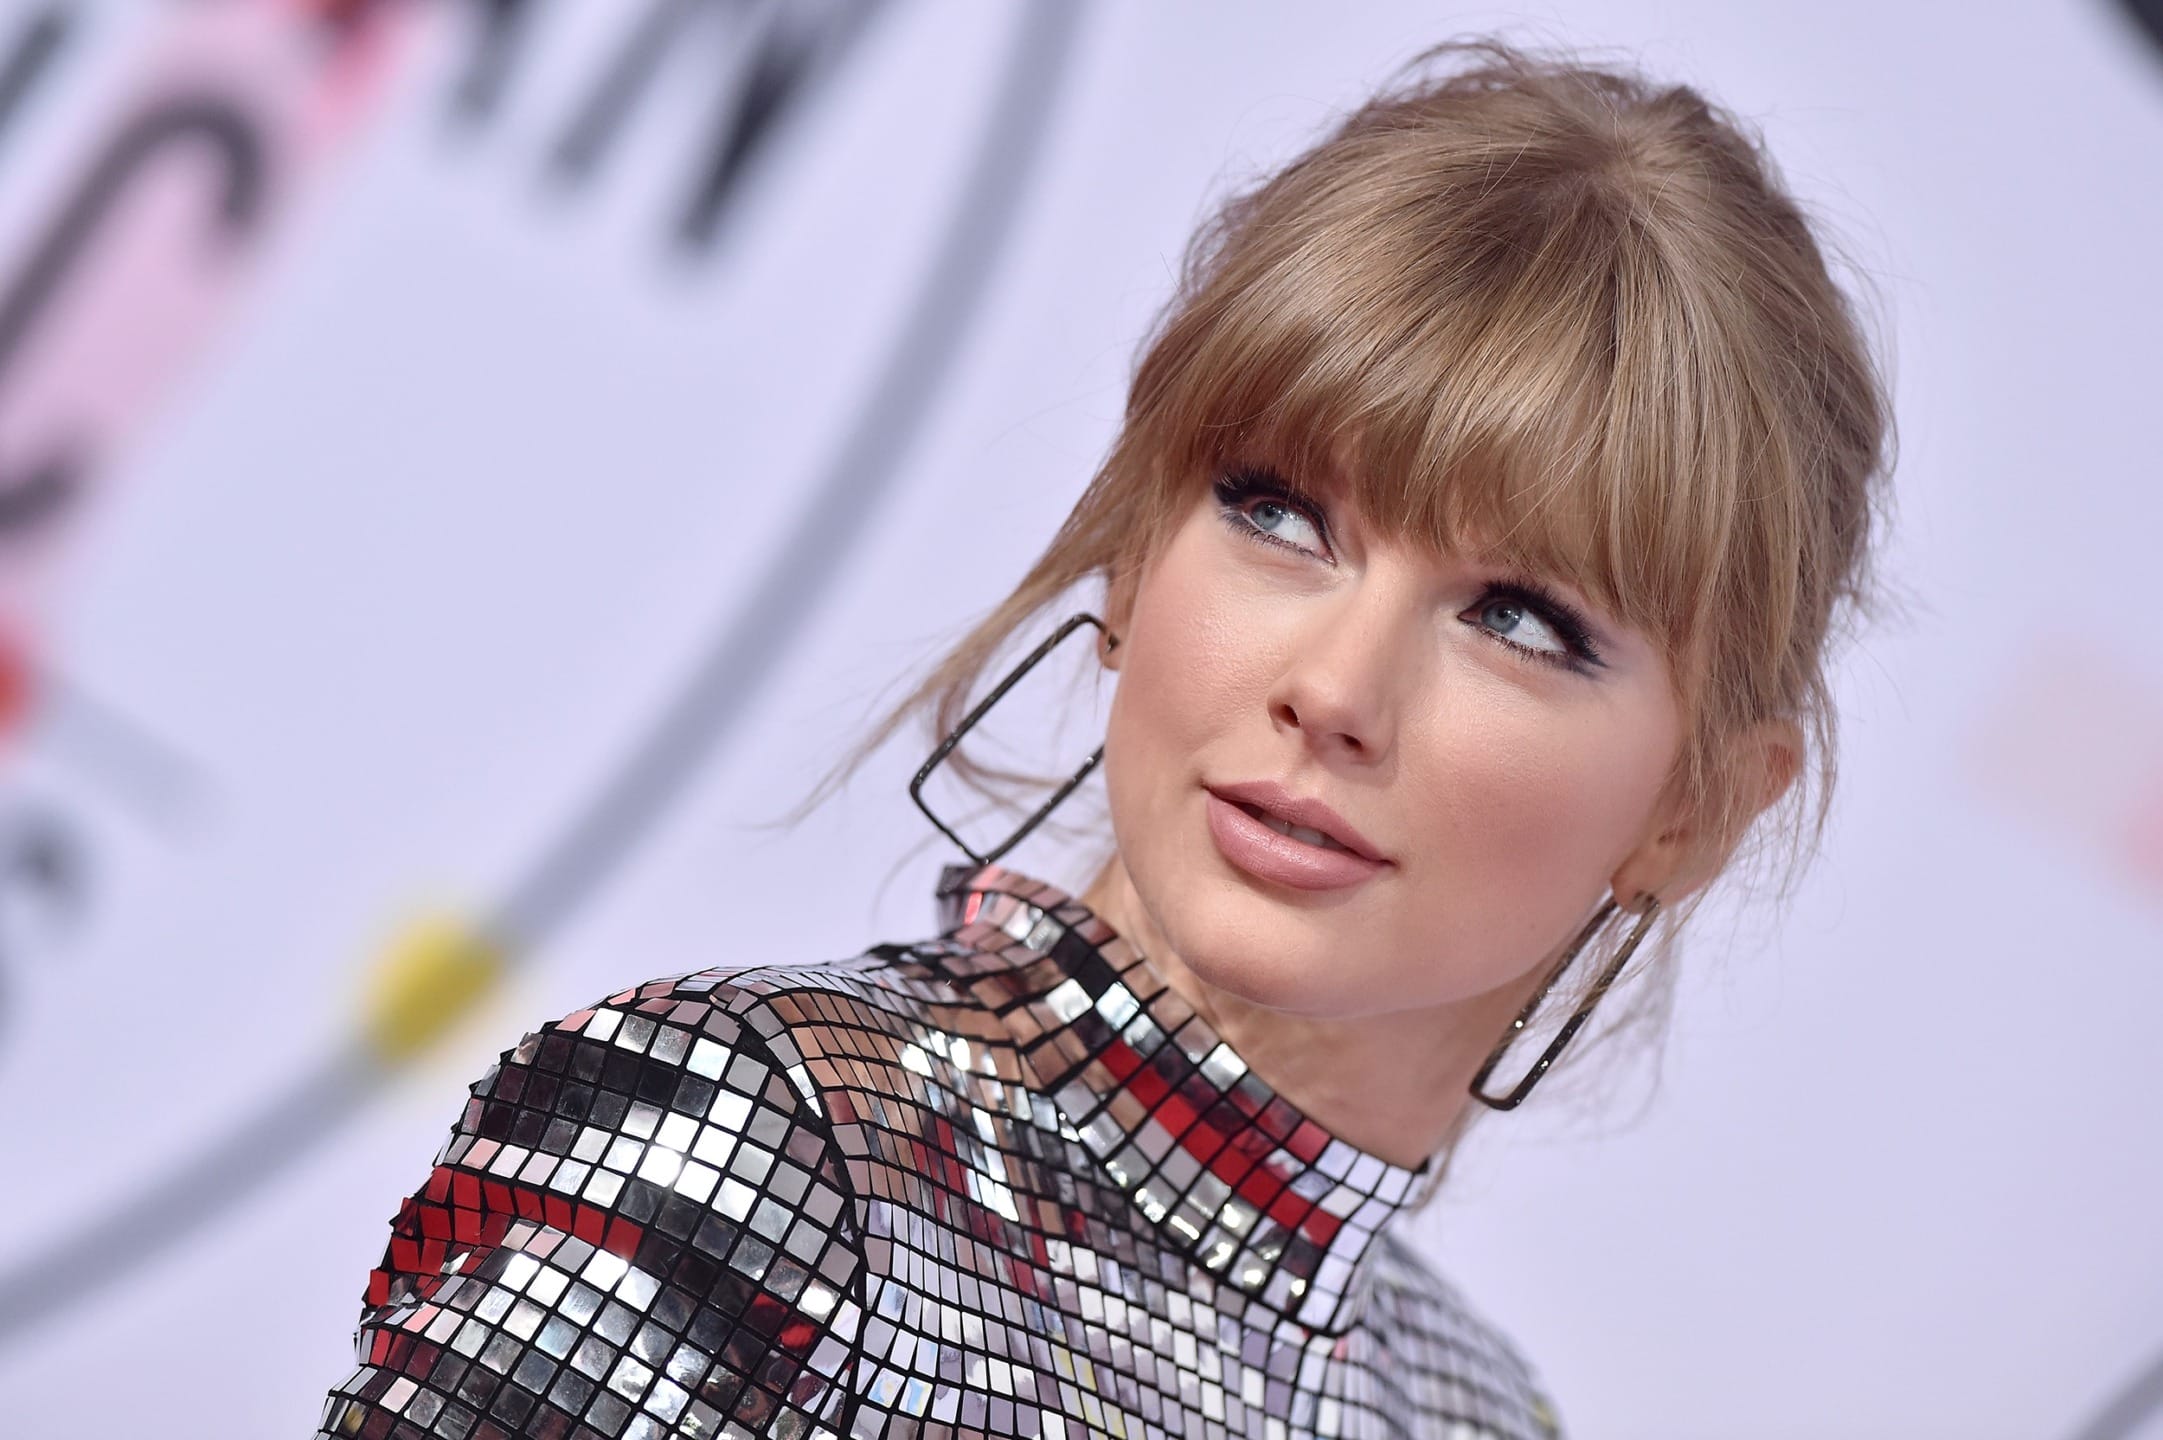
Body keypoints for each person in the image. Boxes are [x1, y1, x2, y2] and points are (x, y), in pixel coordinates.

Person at [314, 36, 1891, 1440]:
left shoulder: (1479, 1412)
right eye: (1281, 514)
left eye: (1521, 618)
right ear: (1135, 552)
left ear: (1695, 812)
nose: (1335, 690)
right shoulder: (760, 1151)